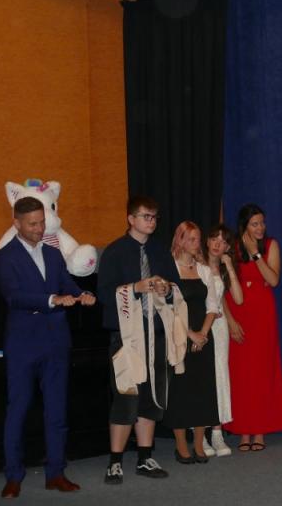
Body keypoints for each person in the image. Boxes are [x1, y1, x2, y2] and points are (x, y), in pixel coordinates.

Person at [0, 197, 95, 498]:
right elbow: (13, 297)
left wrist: (82, 294)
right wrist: (52, 300)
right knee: (18, 409)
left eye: (42, 222)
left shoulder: (53, 253)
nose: (39, 229)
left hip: (56, 341)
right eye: (33, 224)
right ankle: (13, 475)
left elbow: (67, 285)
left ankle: (56, 473)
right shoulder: (4, 257)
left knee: (57, 409)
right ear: (16, 223)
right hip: (23, 343)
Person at [98, 195, 180, 484]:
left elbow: (175, 288)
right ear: (131, 219)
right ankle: (115, 461)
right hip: (127, 337)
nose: (151, 222)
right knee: (126, 396)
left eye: (155, 217)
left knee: (151, 397)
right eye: (146, 216)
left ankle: (145, 457)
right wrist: (134, 287)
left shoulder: (160, 251)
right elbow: (104, 293)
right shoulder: (115, 252)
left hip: (155, 334)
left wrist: (165, 289)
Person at [225, 204, 282, 451]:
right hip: (238, 310)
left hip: (262, 313)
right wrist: (230, 320)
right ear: (244, 226)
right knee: (240, 373)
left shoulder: (271, 245)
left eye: (262, 222)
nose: (260, 228)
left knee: (261, 371)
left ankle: (259, 429)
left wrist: (256, 254)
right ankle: (242, 430)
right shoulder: (232, 246)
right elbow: (222, 284)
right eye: (255, 224)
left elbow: (273, 280)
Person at [162, 221, 220, 464]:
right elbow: (166, 309)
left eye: (198, 239)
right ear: (181, 240)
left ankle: (198, 443)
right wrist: (190, 334)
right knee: (181, 390)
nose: (197, 244)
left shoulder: (204, 270)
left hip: (203, 337)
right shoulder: (169, 269)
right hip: (179, 336)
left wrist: (203, 334)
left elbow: (213, 306)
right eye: (192, 239)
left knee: (203, 390)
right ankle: (180, 445)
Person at [201, 224, 244, 457]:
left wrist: (229, 266)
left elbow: (237, 299)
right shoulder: (196, 264)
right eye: (214, 238)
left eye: (224, 241)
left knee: (219, 375)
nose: (218, 244)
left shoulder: (224, 269)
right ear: (207, 241)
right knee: (201, 376)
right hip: (200, 324)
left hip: (218, 328)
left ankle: (217, 433)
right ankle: (200, 433)